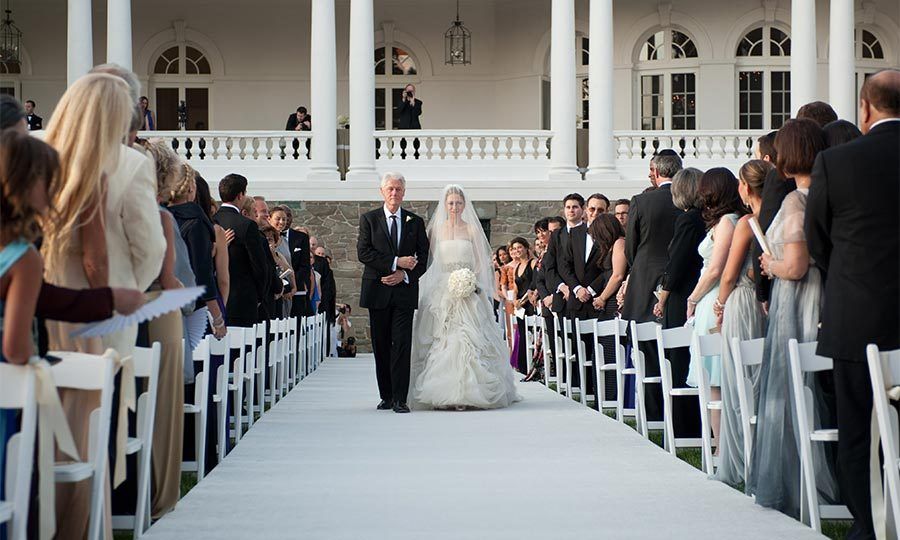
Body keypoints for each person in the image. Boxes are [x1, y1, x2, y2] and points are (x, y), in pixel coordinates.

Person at [805, 69, 900, 540]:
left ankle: (869, 526)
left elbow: (817, 240)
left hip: (855, 315)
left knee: (857, 431)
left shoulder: (836, 163)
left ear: (865, 108)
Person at [750, 118, 838, 518]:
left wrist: (770, 262)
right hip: (820, 294)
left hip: (798, 297)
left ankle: (800, 481)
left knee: (790, 388)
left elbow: (798, 265)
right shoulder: (832, 192)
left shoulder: (796, 200)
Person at [409, 185, 519, 410]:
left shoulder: (471, 230)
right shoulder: (436, 230)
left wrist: (471, 280)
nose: (454, 207)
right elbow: (427, 260)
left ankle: (470, 392)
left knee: (469, 338)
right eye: (450, 203)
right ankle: (441, 391)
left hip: (468, 289)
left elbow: (481, 261)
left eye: (458, 203)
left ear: (464, 205)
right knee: (442, 338)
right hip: (442, 289)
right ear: (445, 205)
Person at [712, 159, 771, 487]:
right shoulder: (776, 216)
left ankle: (739, 460)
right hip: (764, 305)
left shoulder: (747, 223)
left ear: (746, 188)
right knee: (760, 381)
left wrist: (720, 305)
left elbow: (729, 274)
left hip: (741, 303)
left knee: (739, 383)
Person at [683, 168, 744, 456]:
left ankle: (723, 446)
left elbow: (717, 270)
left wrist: (693, 299)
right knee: (712, 379)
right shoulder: (722, 222)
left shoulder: (728, 223)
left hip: (715, 300)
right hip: (710, 300)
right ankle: (719, 443)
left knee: (717, 377)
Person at [357, 172, 429, 413]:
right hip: (377, 290)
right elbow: (364, 253)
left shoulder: (415, 222)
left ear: (404, 192)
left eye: (398, 189)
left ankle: (400, 398)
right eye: (390, 189)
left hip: (404, 292)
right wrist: (396, 262)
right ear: (382, 192)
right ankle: (385, 395)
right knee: (381, 344)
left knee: (401, 344)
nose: (394, 193)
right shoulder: (369, 219)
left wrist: (404, 275)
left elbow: (423, 257)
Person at [623, 152, 682, 423]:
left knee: (647, 350)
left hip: (645, 280)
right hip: (681, 281)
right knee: (678, 348)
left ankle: (654, 414)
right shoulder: (688, 200)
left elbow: (631, 247)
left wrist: (640, 268)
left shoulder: (641, 201)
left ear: (656, 172)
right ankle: (680, 413)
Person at [652, 167, 705, 440]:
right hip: (691, 293)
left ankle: (686, 427)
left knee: (679, 358)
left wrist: (662, 296)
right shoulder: (703, 218)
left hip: (682, 296)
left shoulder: (688, 221)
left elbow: (677, 263)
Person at [213, 174, 270, 327]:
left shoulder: (211, 221)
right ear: (240, 195)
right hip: (243, 300)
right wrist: (259, 296)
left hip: (213, 299)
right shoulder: (247, 225)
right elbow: (259, 266)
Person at [508, 236, 536, 375]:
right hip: (519, 307)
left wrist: (522, 301)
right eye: (514, 248)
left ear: (526, 248)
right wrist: (514, 301)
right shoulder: (516, 267)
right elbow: (515, 288)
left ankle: (534, 366)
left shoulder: (533, 263)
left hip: (530, 304)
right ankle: (523, 366)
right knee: (522, 335)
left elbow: (533, 284)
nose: (517, 250)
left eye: (519, 247)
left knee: (532, 334)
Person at [281, 207, 312, 317]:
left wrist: (291, 285)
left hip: (296, 291)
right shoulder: (270, 236)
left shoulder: (301, 237)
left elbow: (305, 265)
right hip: (277, 289)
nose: (286, 220)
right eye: (282, 217)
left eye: (288, 216)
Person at [269, 205, 296, 317]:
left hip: (286, 290)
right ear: (269, 219)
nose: (281, 222)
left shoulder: (285, 241)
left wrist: (294, 287)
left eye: (284, 219)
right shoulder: (266, 239)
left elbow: (289, 266)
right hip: (273, 289)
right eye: (278, 219)